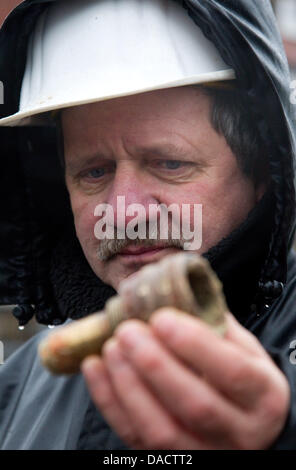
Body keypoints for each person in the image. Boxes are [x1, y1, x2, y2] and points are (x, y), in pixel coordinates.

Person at [0, 0, 295, 450]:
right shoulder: (21, 388)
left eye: (169, 163)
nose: (123, 213)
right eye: (93, 172)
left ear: (262, 175)